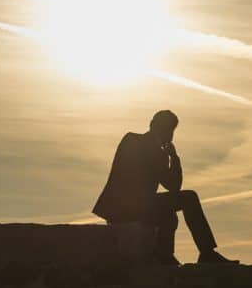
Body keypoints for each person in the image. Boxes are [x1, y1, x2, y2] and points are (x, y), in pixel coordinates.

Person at [93, 110, 237, 265]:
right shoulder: (133, 141)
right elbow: (169, 186)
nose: (169, 134)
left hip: (139, 206)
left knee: (169, 215)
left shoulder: (158, 152)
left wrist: (174, 158)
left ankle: (164, 255)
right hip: (125, 207)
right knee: (189, 198)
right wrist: (163, 154)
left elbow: (173, 186)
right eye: (167, 129)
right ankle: (206, 252)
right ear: (154, 126)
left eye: (171, 130)